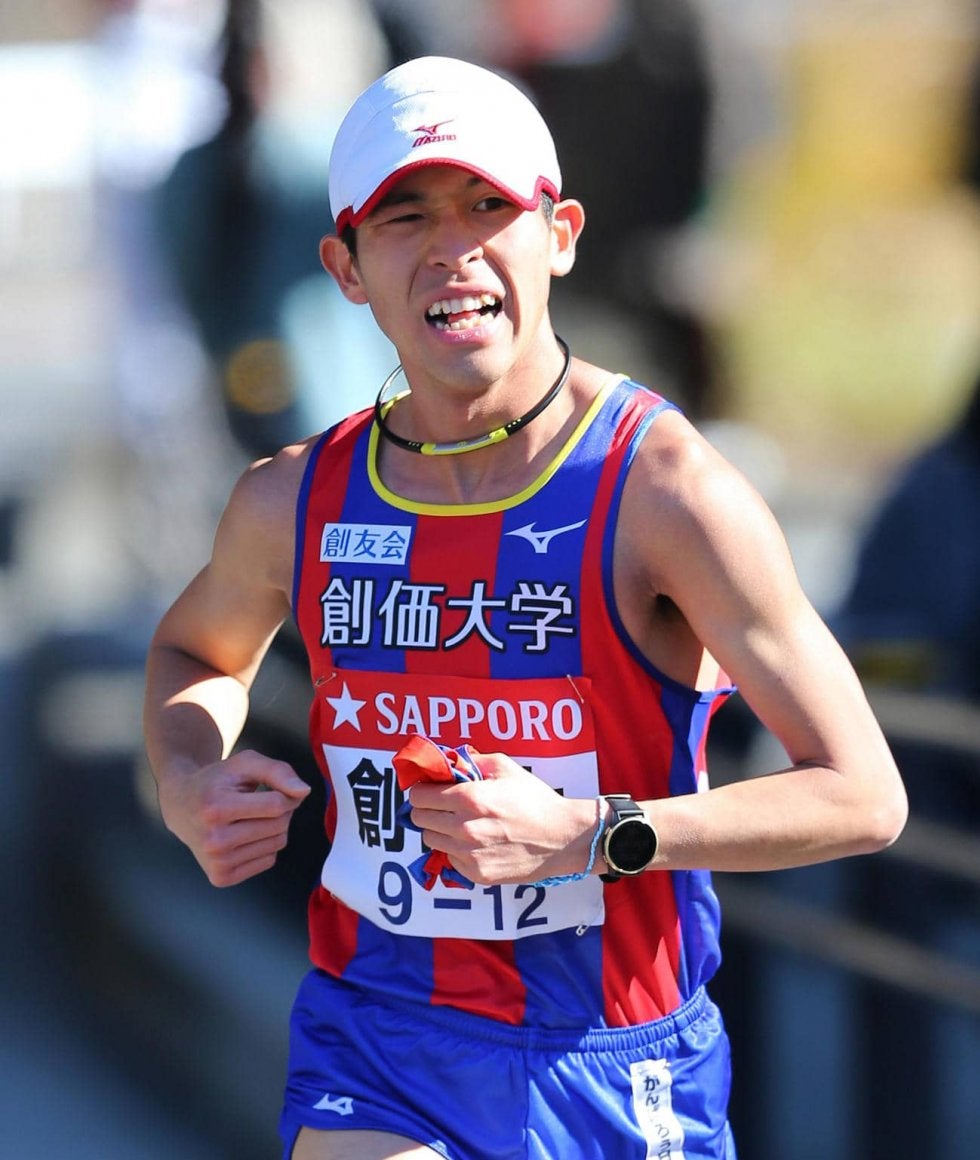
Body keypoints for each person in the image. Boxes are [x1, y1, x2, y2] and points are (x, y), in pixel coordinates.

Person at [142, 55, 908, 1160]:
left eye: (487, 206)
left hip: (615, 1059)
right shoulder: (293, 499)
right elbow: (195, 653)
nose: (452, 248)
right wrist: (187, 778)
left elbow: (862, 795)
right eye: (404, 216)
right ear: (346, 266)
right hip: (380, 1038)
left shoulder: (665, 492)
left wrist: (591, 835)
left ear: (559, 234)